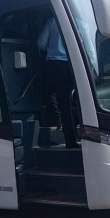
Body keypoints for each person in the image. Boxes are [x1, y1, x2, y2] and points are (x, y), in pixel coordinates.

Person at [37, 17, 78, 148]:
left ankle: (57, 122)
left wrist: (52, 48)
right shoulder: (79, 20)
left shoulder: (52, 21)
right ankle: (76, 137)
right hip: (70, 65)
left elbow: (40, 43)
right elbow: (87, 47)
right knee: (72, 102)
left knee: (53, 95)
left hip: (53, 64)